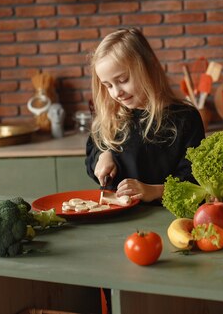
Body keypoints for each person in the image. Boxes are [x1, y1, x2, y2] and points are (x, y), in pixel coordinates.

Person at [85, 27, 205, 203]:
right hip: (116, 215)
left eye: (122, 80)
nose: (116, 92)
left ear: (147, 68)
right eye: (108, 85)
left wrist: (154, 191)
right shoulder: (110, 116)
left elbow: (193, 179)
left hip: (165, 214)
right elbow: (92, 154)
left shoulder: (185, 118)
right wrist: (102, 156)